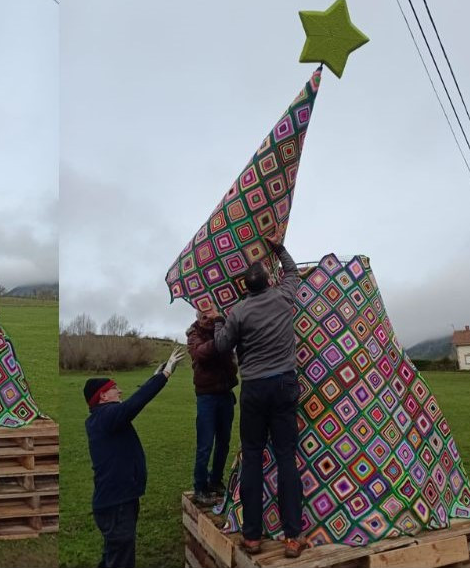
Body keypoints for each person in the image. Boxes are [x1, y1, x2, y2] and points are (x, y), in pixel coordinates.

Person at [211, 231, 308, 558]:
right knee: (285, 458)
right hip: (283, 384)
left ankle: (252, 537)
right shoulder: (283, 297)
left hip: (253, 388)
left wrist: (216, 322)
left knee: (253, 457)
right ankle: (293, 537)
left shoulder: (238, 312)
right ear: (268, 281)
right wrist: (278, 246)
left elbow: (223, 346)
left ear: (245, 287)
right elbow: (293, 272)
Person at [84, 348, 187, 568]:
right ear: (103, 396)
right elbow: (135, 403)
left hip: (116, 502)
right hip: (117, 505)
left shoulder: (102, 418)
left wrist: (154, 377)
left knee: (113, 556)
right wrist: (164, 375)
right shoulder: (107, 418)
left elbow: (130, 401)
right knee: (121, 560)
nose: (120, 391)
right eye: (114, 389)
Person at [186, 307, 238, 506]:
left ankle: (215, 480)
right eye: (204, 315)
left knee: (223, 442)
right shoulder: (193, 334)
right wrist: (218, 328)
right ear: (198, 317)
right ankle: (200, 487)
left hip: (225, 394)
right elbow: (201, 354)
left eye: (211, 313)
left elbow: (228, 353)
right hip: (207, 396)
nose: (208, 318)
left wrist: (220, 330)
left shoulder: (221, 329)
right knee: (205, 444)